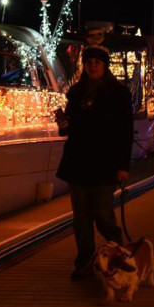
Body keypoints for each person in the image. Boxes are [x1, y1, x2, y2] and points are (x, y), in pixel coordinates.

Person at [55, 45, 133, 281]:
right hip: (78, 162)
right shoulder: (76, 93)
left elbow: (125, 131)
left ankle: (119, 256)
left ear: (105, 65)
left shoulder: (118, 93)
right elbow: (68, 128)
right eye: (89, 63)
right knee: (81, 219)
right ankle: (86, 263)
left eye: (97, 62)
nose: (93, 66)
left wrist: (123, 166)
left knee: (102, 214)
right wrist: (64, 124)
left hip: (105, 162)